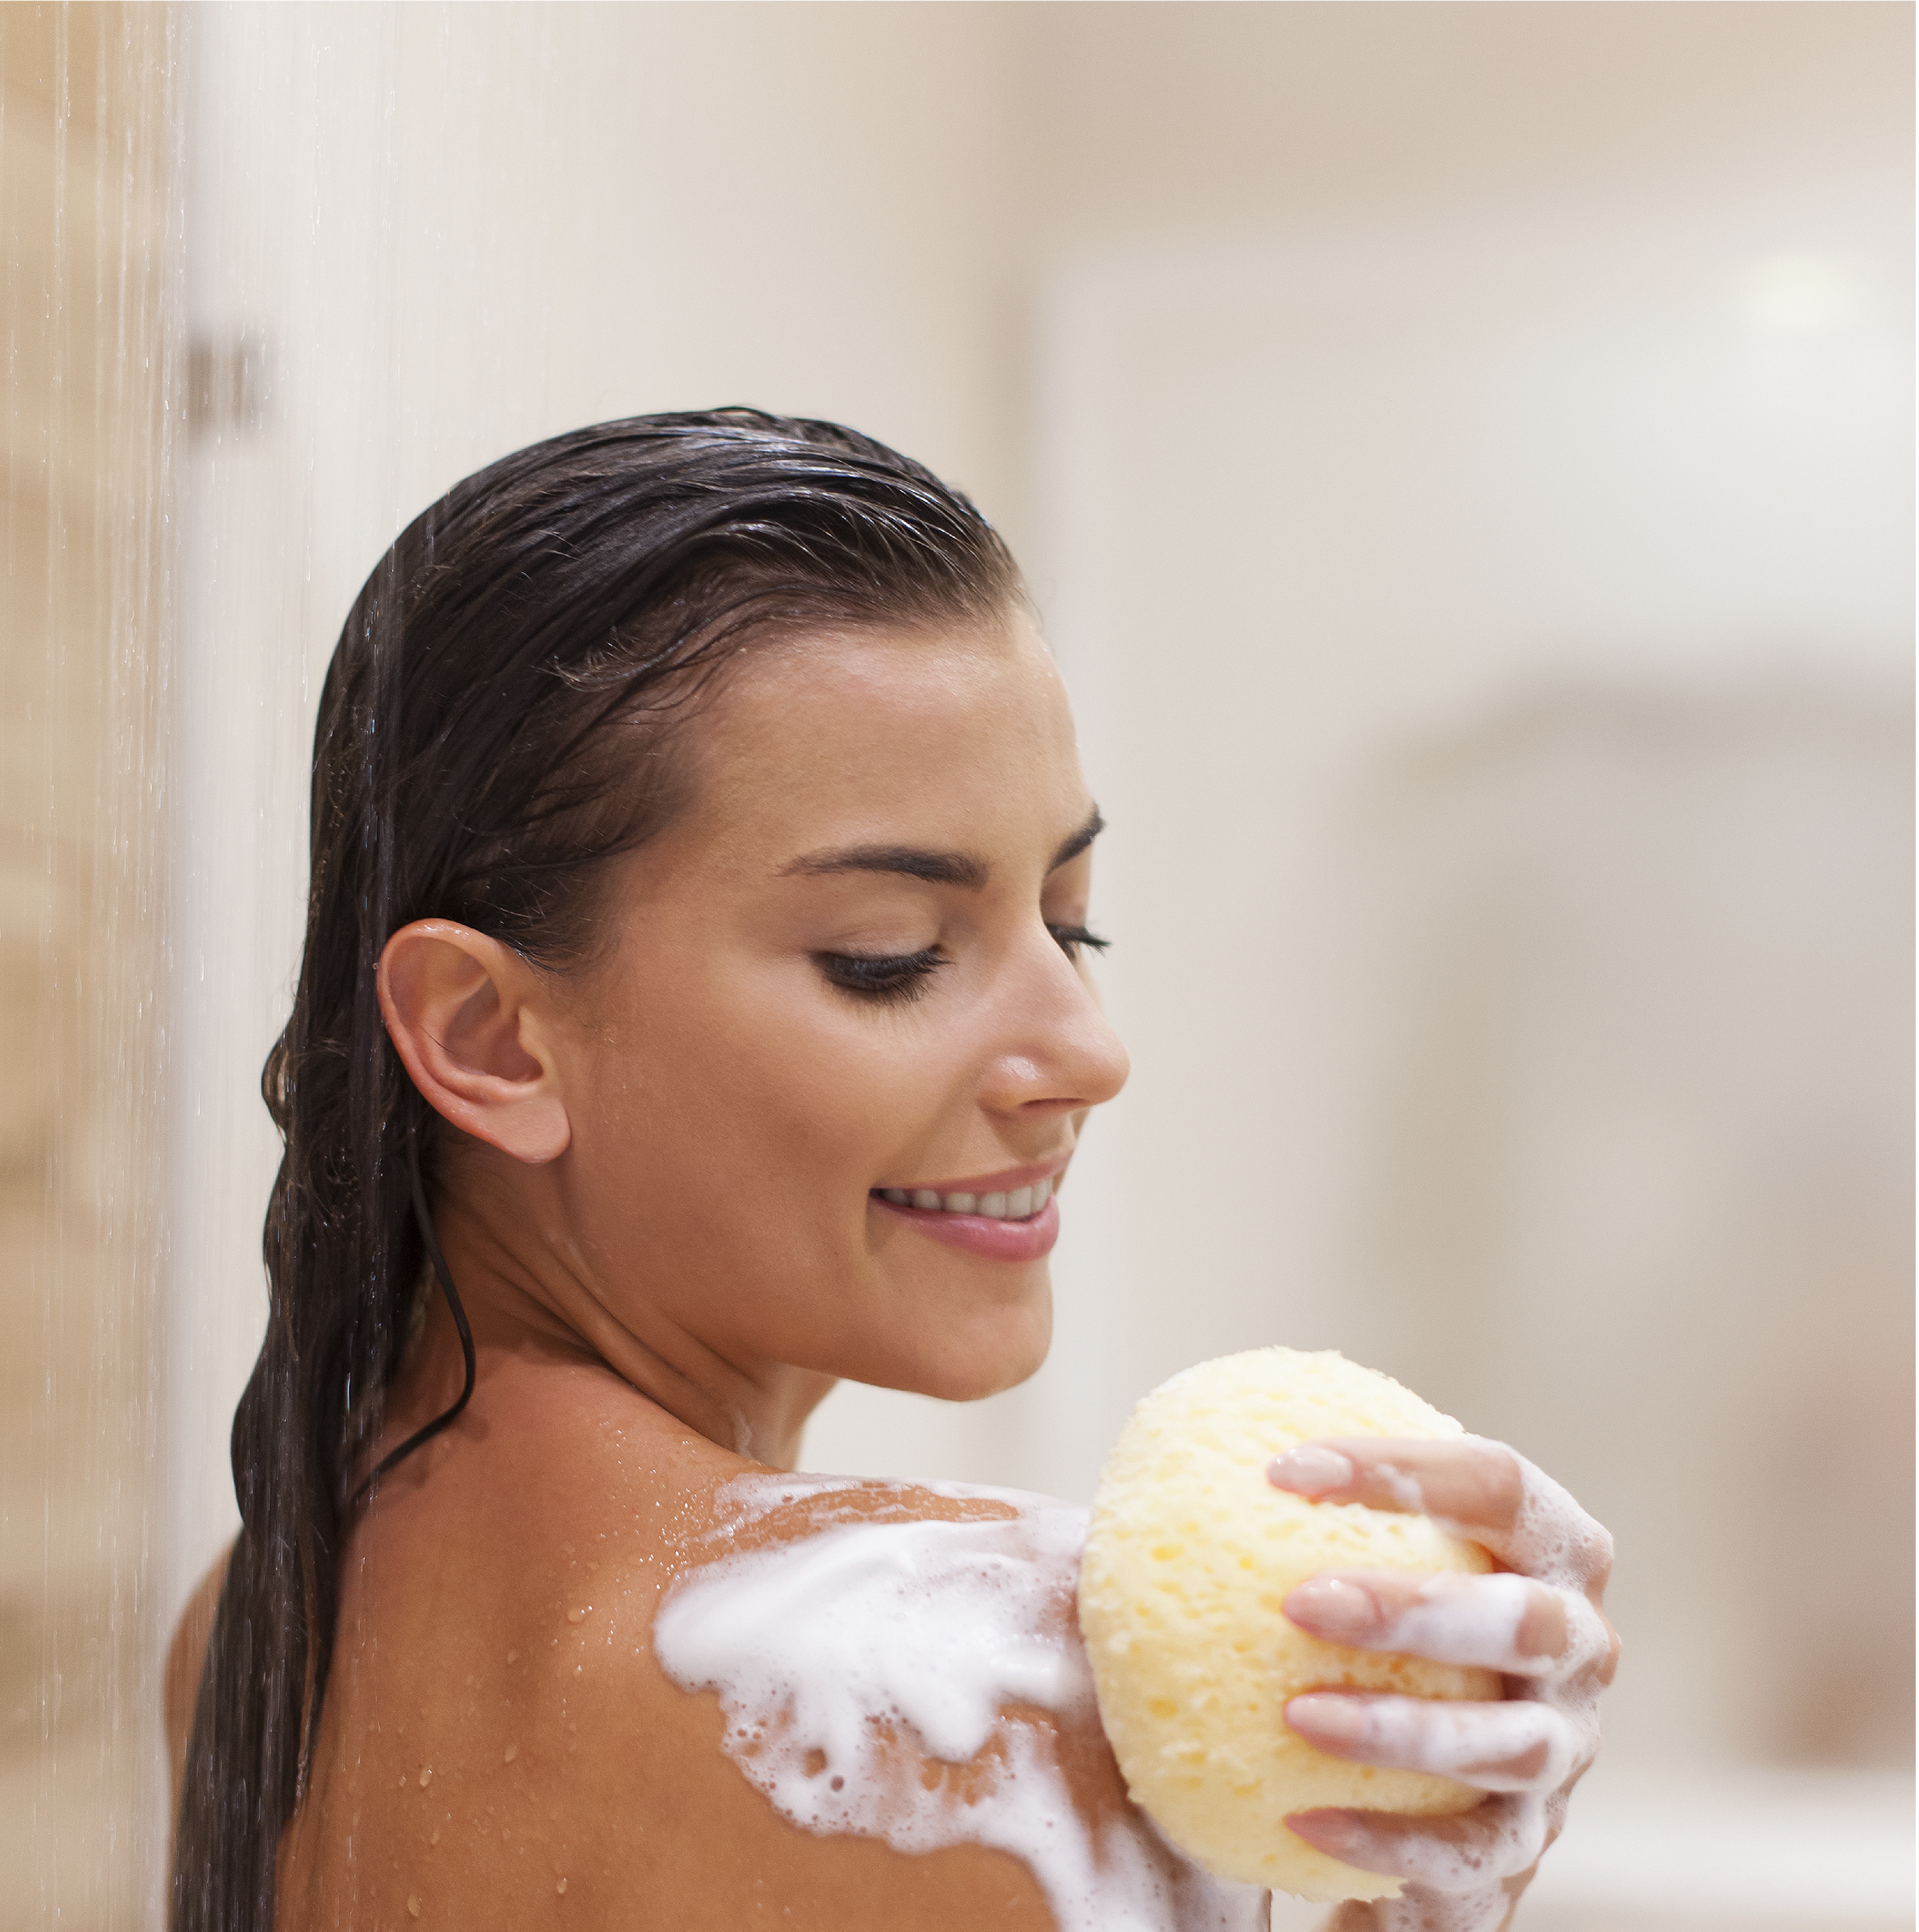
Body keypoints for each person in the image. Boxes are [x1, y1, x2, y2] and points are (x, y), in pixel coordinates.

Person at [164, 410, 1616, 1932]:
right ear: (494, 1040)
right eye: (891, 959)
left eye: (1072, 923)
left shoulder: (262, 1621)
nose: (1089, 1051)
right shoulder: (982, 1703)